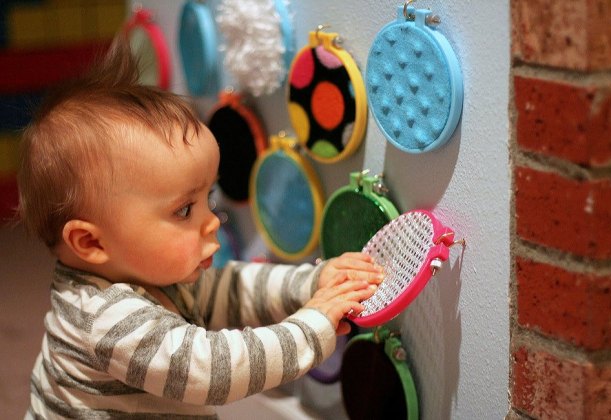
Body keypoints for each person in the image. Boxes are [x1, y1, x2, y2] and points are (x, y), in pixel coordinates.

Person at [17, 36, 383, 418]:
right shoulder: (104, 320)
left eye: (208, 197)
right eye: (183, 210)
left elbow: (236, 291)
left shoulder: (158, 274)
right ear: (91, 241)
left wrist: (313, 284)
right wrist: (313, 326)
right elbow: (210, 370)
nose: (211, 221)